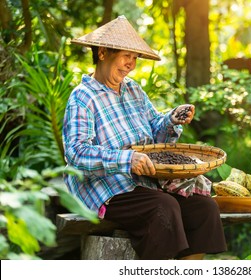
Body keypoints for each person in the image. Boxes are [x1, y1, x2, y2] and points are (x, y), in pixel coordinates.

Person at [63, 15, 227, 260]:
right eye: (126, 55)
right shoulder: (83, 97)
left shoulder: (133, 90)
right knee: (164, 207)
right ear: (103, 53)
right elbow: (76, 152)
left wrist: (171, 119)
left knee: (204, 208)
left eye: (135, 57)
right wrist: (127, 159)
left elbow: (155, 132)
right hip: (108, 187)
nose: (131, 64)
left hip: (146, 184)